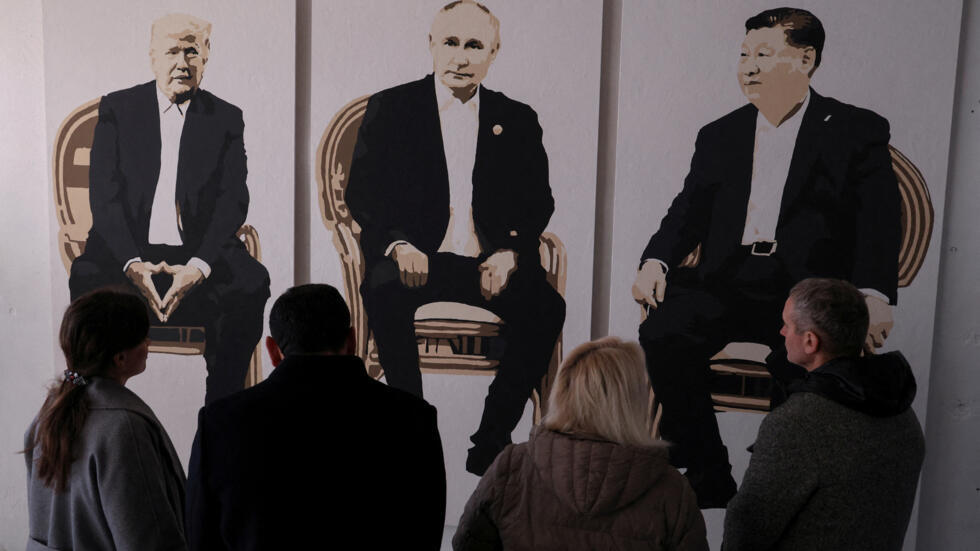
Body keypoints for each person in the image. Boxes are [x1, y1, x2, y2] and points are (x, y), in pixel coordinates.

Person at [630, 7, 901, 507]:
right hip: (728, 279)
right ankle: (708, 470)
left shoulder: (853, 129)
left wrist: (875, 295)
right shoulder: (720, 134)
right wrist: (655, 262)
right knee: (663, 332)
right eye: (743, 55)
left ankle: (774, 490)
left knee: (803, 366)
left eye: (763, 54)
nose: (748, 66)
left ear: (806, 59)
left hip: (807, 291)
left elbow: (878, 223)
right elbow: (685, 213)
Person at [345, 0, 565, 475]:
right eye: (450, 42)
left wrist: (510, 252)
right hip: (413, 258)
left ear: (493, 53)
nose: (461, 57)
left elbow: (538, 202)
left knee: (547, 307)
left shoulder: (517, 118)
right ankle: (411, 431)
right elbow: (362, 193)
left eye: (474, 46)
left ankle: (491, 438)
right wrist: (399, 244)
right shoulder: (392, 107)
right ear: (431, 44)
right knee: (382, 289)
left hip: (486, 263)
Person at [68, 13, 270, 404]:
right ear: (152, 56)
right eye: (172, 51)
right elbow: (104, 198)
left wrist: (198, 266)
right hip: (127, 260)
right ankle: (93, 407)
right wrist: (132, 264)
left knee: (250, 282)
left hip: (196, 260)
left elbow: (232, 201)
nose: (182, 62)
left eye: (191, 51)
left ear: (206, 55)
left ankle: (221, 410)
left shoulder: (226, 118)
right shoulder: (118, 109)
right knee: (86, 274)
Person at [184, 284, 446, 550]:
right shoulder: (415, 419)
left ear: (273, 350)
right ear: (352, 341)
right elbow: (426, 535)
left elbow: (200, 538)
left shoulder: (219, 423)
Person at [723, 278, 924, 550]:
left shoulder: (796, 424)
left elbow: (746, 531)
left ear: (810, 341)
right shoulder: (903, 413)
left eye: (787, 324)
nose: (782, 331)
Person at [453, 336, 708, 550]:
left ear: (563, 391)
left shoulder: (511, 468)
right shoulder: (672, 490)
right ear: (631, 403)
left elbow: (467, 544)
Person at [24, 289, 187, 550]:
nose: (148, 343)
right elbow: (148, 539)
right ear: (120, 358)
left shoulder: (48, 414)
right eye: (142, 338)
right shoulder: (125, 428)